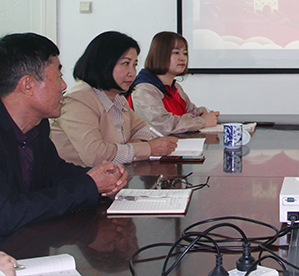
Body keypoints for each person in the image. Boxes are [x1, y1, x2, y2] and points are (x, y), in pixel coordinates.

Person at [0, 33, 128, 242]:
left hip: (30, 243)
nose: (64, 86)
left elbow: (54, 173)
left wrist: (102, 176)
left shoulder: (38, 126)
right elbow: (7, 213)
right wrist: (89, 185)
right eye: (59, 76)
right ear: (28, 85)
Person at [50, 31, 177, 167]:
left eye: (134, 65)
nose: (132, 72)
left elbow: (146, 129)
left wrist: (135, 145)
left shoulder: (116, 98)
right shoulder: (78, 101)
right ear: (103, 63)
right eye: (125, 63)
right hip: (78, 178)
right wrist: (147, 149)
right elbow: (96, 156)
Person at [128, 31, 219, 135]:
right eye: (176, 53)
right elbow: (162, 125)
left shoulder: (175, 86)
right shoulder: (143, 90)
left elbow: (190, 112)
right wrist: (202, 121)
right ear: (159, 55)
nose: (182, 58)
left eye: (185, 53)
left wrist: (205, 114)